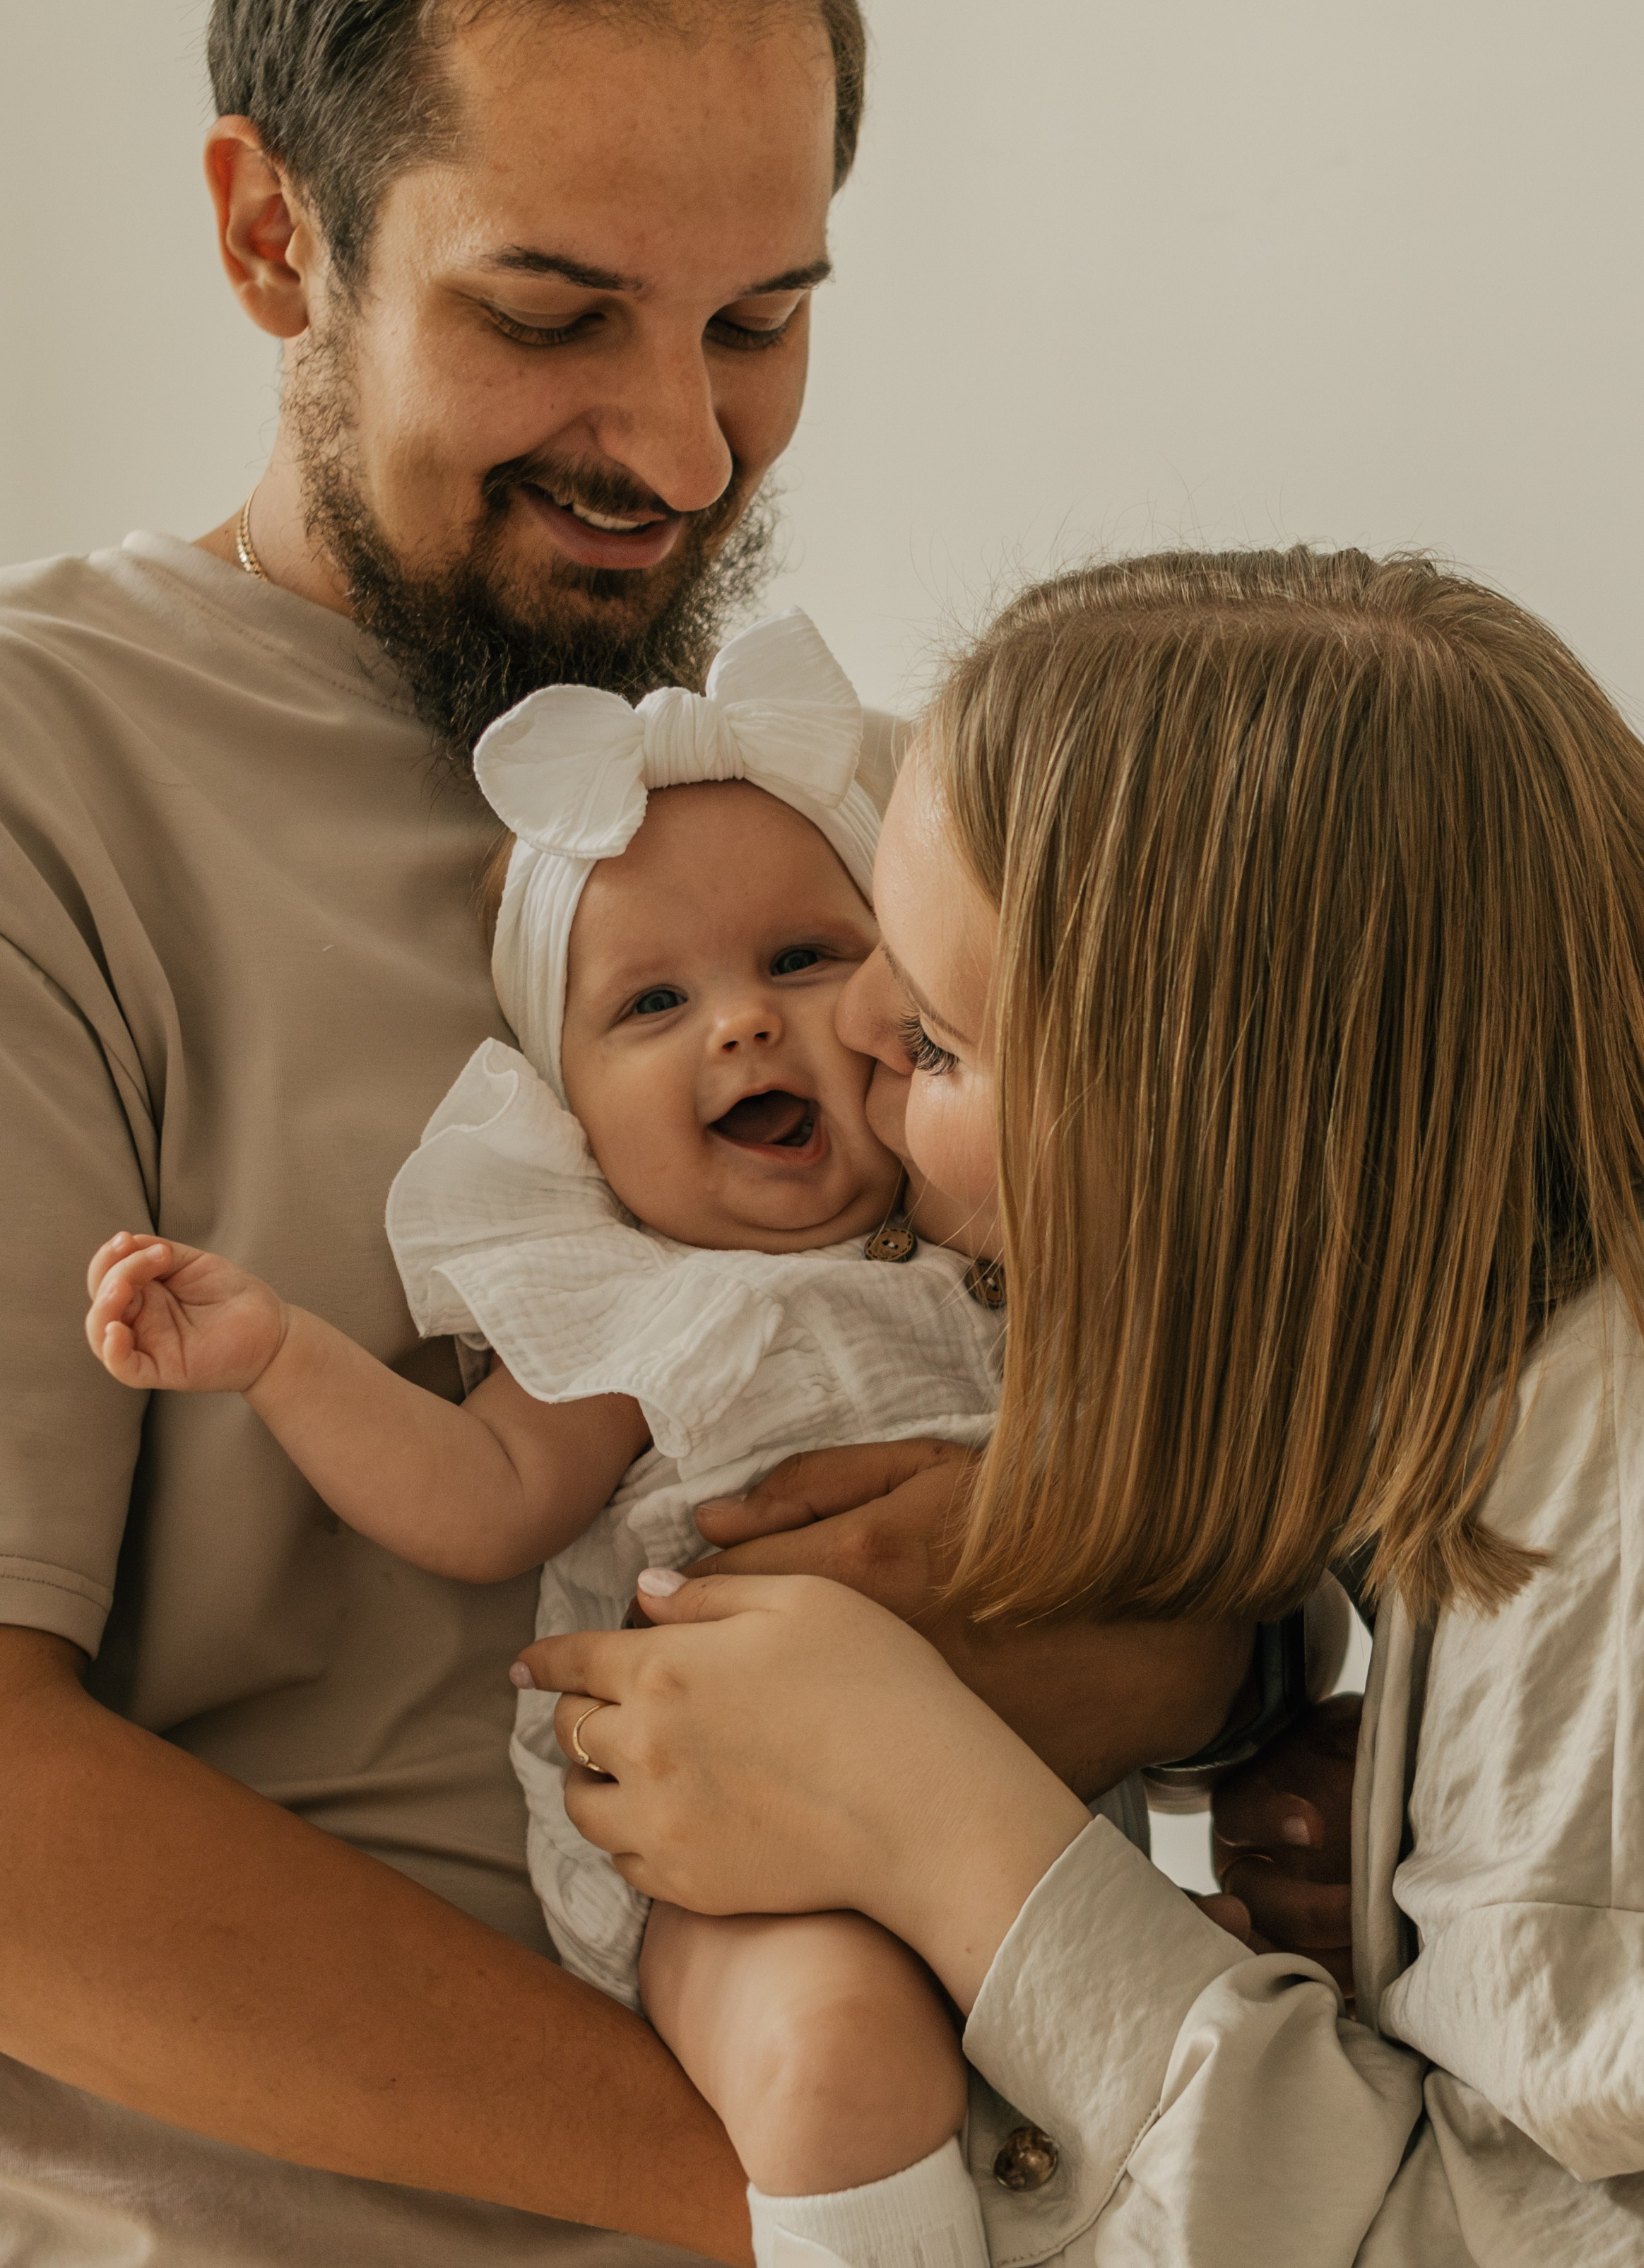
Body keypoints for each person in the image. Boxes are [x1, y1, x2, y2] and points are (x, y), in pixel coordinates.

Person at [0, 8, 1261, 2261]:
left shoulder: (876, 812)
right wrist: (857, 2193)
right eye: (552, 312)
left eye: (760, 321)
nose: (682, 447)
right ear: (274, 232)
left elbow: (1225, 1548)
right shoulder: (45, 791)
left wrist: (1173, 1639)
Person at [526, 545, 1644, 2265]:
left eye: (950, 1046)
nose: (861, 1040)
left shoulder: (1602, 1510)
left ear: (1235, 1157)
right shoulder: (1489, 1413)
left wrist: (938, 1826)